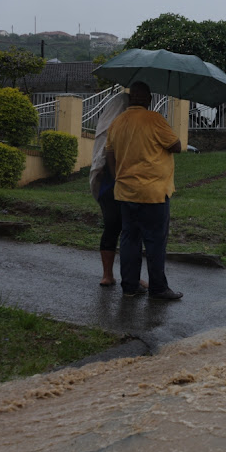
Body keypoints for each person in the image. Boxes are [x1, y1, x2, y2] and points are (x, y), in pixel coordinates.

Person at [105, 82, 184, 300]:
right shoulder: (154, 119)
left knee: (129, 240)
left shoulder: (117, 123)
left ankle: (130, 287)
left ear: (131, 99)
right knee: (155, 241)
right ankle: (158, 289)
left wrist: (116, 177)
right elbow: (176, 145)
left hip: (125, 191)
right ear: (148, 99)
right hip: (153, 192)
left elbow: (109, 154)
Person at [89, 92, 129, 287]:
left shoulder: (109, 124)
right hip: (114, 187)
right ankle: (109, 275)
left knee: (118, 230)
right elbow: (106, 155)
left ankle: (120, 275)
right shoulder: (112, 128)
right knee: (121, 230)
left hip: (115, 187)